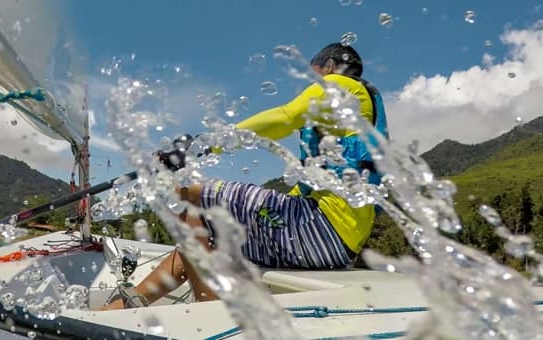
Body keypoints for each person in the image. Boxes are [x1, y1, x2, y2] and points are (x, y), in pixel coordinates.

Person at [99, 42, 389, 309]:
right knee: (202, 235)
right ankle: (116, 311)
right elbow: (301, 194)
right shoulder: (355, 113)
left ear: (328, 65)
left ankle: (209, 317)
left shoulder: (339, 85)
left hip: (321, 230)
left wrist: (205, 143)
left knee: (196, 199)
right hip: (334, 245)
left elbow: (284, 118)